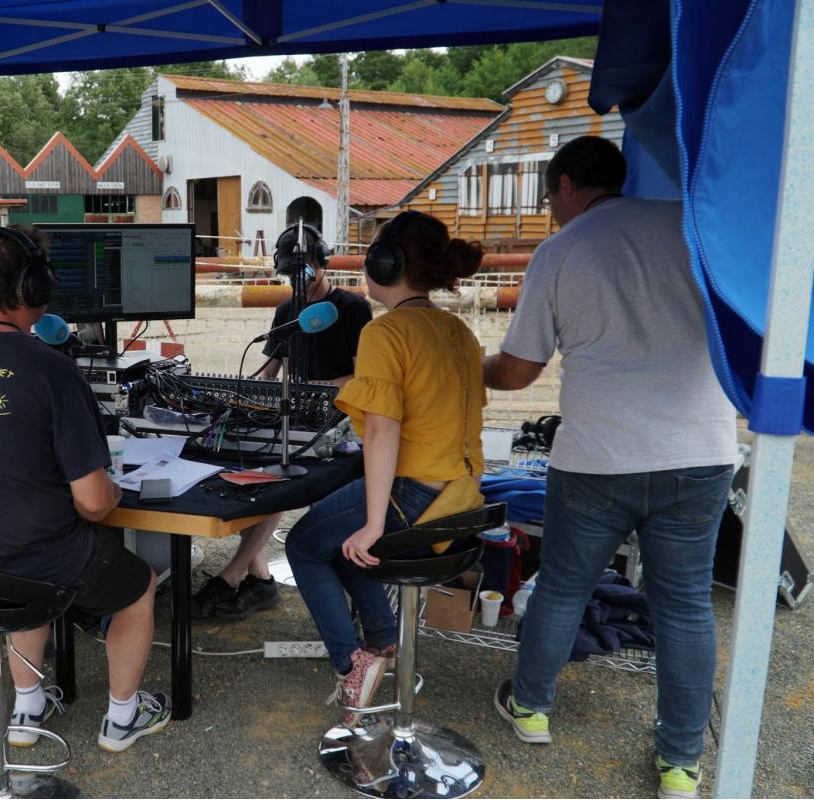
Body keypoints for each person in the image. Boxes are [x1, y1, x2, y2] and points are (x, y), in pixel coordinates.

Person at [483, 136, 737, 800]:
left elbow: (518, 370)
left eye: (548, 198)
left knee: (564, 586)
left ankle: (532, 708)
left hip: (599, 459)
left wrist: (466, 367)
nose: (551, 211)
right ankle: (681, 762)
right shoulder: (691, 227)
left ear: (568, 184)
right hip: (699, 453)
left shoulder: (560, 251)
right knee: (684, 607)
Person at [0, 226, 171, 753]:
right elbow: (94, 503)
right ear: (37, 288)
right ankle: (122, 717)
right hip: (28, 561)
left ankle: (27, 707)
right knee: (137, 585)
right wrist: (112, 491)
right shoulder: (51, 368)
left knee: (17, 574)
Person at [284, 211, 487, 722]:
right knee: (341, 541)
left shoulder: (386, 332)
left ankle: (352, 662)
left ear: (385, 263)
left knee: (306, 546)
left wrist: (375, 525)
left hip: (415, 498)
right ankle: (381, 643)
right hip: (462, 499)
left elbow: (381, 430)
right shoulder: (455, 329)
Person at [190, 223, 374, 622]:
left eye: (305, 273)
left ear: (322, 264)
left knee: (281, 482)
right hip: (291, 417)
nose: (299, 284)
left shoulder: (353, 309)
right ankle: (258, 577)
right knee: (249, 476)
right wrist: (240, 395)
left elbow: (362, 377)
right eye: (291, 275)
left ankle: (233, 576)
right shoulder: (287, 309)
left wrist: (316, 386)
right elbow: (270, 369)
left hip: (337, 421)